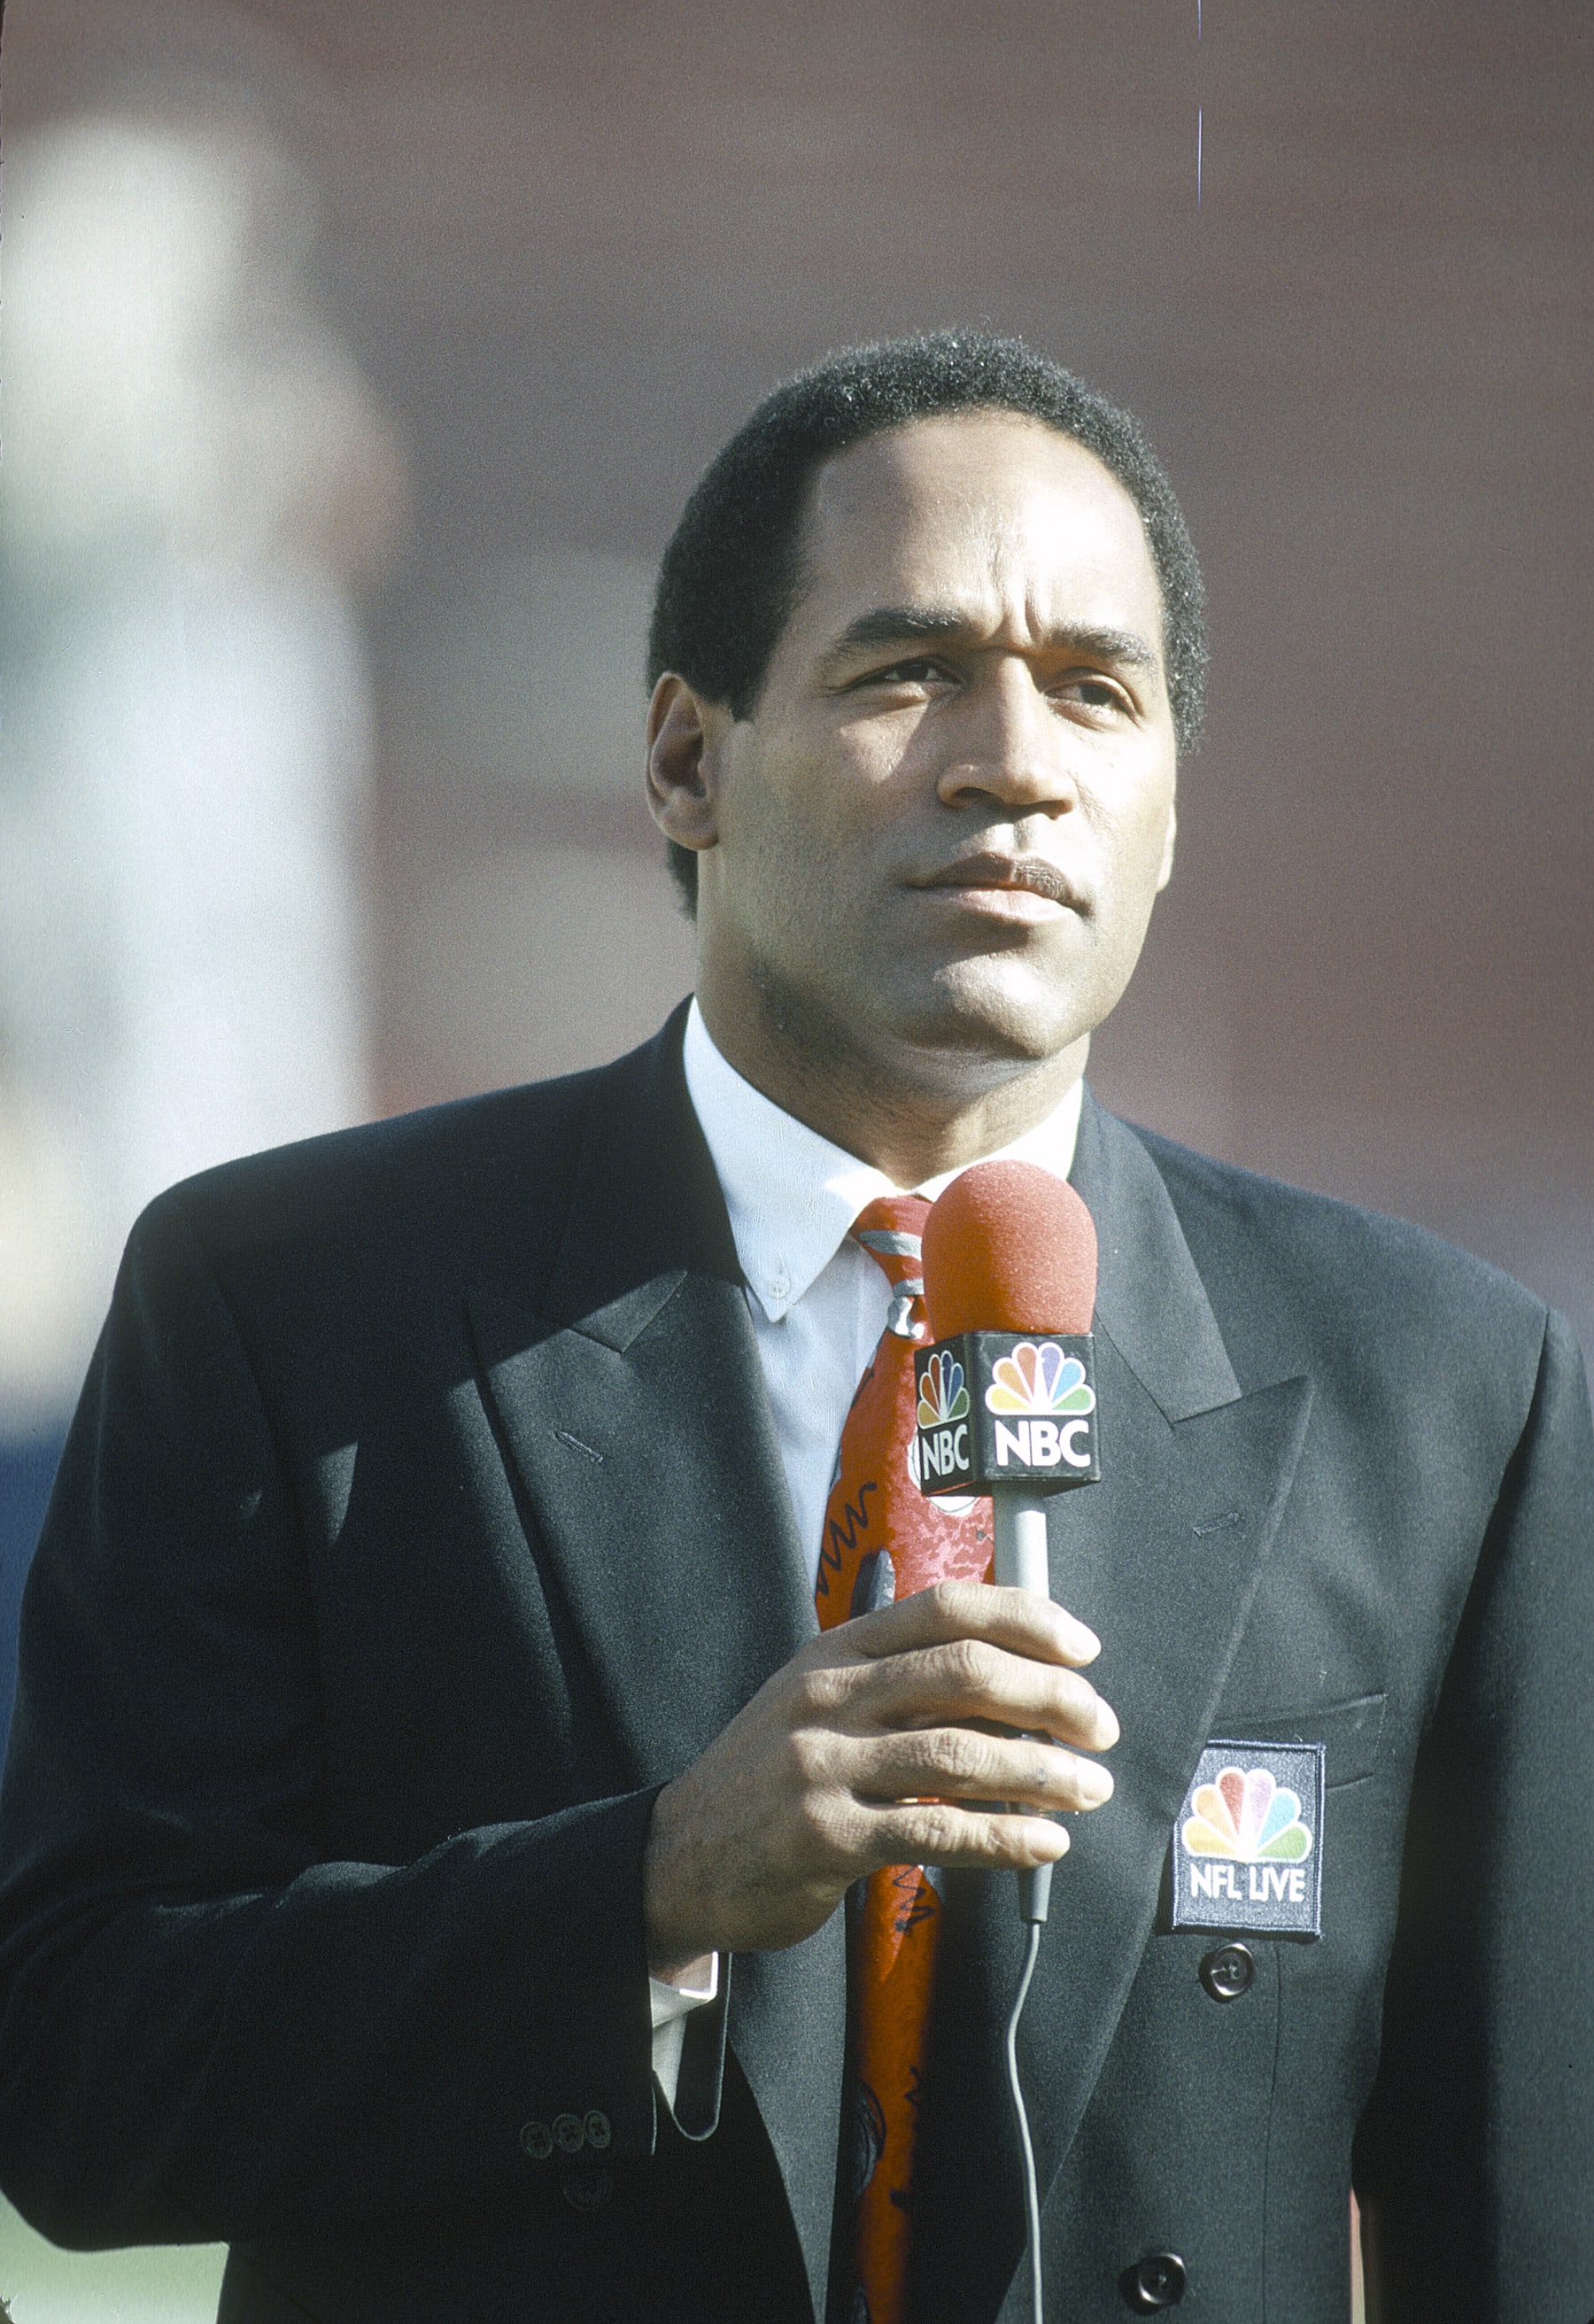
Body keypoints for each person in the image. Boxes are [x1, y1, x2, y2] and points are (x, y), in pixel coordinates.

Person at [1, 333, 1590, 2324]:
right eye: (908, 669)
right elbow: (72, 2071)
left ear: (1168, 807)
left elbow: (1524, 2218)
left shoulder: (1447, 1391)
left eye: (1098, 691)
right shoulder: (295, 1305)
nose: (1015, 757)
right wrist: (651, 1887)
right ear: (686, 758)